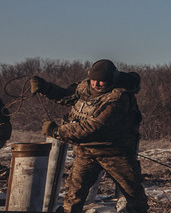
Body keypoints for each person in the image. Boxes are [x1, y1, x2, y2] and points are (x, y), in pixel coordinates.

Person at [29, 59, 148, 213]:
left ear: (111, 79)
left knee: (134, 196)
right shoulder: (85, 86)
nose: (96, 84)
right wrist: (46, 88)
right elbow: (67, 95)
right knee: (73, 198)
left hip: (115, 153)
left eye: (101, 81)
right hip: (86, 151)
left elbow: (93, 128)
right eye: (94, 80)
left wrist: (57, 131)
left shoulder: (119, 98)